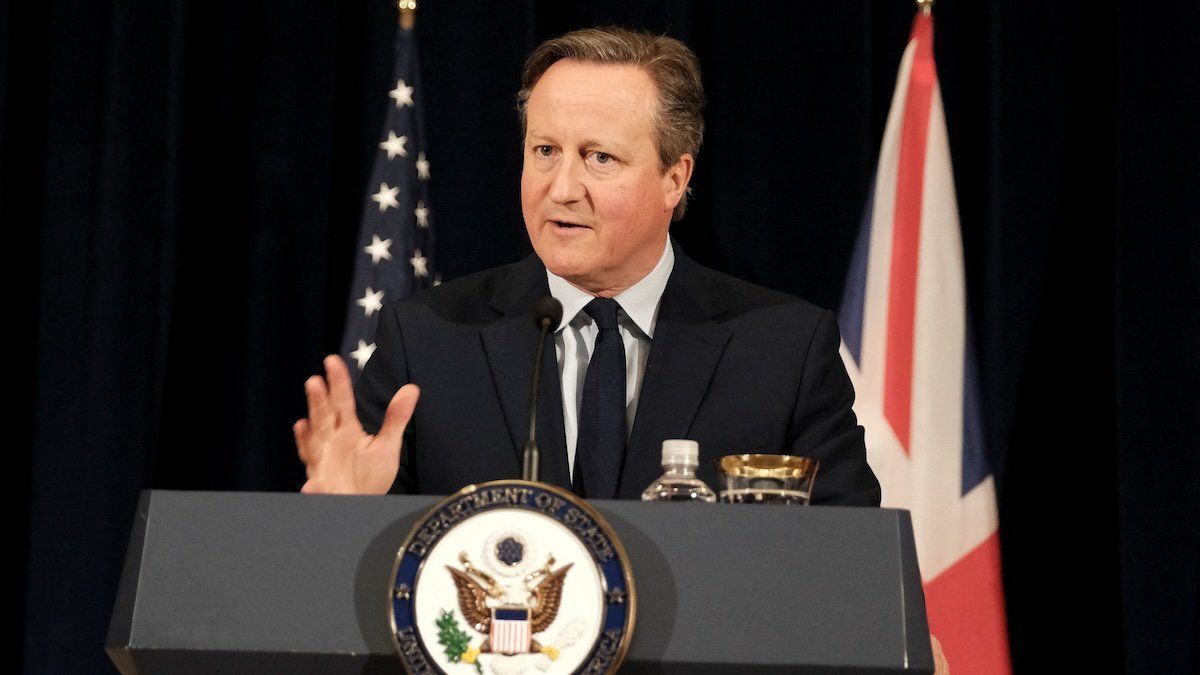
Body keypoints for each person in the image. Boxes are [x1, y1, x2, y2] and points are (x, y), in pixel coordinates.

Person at [295, 26, 881, 505]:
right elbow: (362, 594)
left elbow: (850, 569)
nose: (563, 188)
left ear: (675, 179)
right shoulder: (427, 340)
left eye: (599, 157)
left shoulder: (783, 350)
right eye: (544, 151)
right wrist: (346, 521)